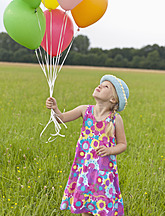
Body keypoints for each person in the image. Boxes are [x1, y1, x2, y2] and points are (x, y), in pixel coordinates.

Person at [46, 74, 129, 216]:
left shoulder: (115, 119)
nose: (100, 86)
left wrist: (110, 150)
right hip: (84, 168)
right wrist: (55, 108)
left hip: (103, 172)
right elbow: (61, 119)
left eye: (106, 86)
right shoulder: (85, 110)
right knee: (85, 205)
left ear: (113, 99)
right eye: (100, 84)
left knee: (101, 205)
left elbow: (122, 144)